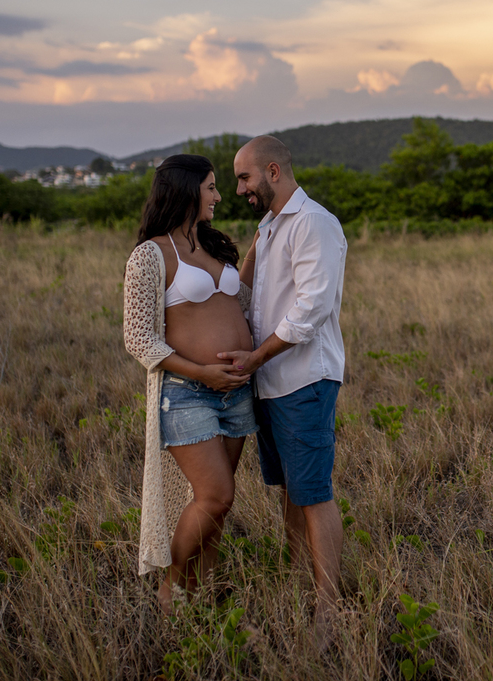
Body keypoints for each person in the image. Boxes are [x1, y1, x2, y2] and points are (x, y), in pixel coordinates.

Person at [218, 135, 347, 650]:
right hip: (270, 382)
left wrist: (255, 357)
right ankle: (295, 586)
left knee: (313, 492)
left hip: (303, 380)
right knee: (291, 490)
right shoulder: (270, 227)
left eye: (245, 178)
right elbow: (246, 295)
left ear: (273, 170)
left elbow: (311, 310)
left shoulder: (315, 223)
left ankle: (329, 610)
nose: (239, 189)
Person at [122, 153, 256, 614]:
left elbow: (243, 300)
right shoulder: (151, 255)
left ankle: (206, 590)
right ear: (186, 189)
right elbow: (138, 338)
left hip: (237, 394)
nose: (219, 196)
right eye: (212, 187)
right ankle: (174, 587)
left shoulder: (215, 245)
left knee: (216, 506)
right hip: (187, 394)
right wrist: (202, 371)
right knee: (216, 495)